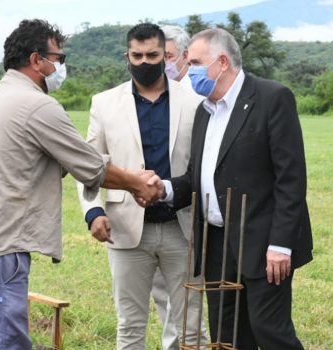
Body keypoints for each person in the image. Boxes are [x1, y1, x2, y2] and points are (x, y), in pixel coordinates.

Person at [0, 19, 161, 350]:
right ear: (36, 60)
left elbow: (44, 161)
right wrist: (138, 184)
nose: (62, 66)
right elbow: (89, 165)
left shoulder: (1, 95)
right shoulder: (36, 105)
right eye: (58, 58)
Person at [162, 27, 313, 349]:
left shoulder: (272, 98)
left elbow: (291, 179)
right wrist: (164, 189)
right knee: (225, 336)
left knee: (270, 331)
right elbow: (196, 175)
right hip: (216, 242)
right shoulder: (204, 111)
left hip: (262, 241)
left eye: (196, 62)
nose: (189, 71)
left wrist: (281, 244)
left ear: (222, 61)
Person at [77, 23, 204, 349]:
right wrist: (93, 211)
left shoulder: (194, 103)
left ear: (167, 56)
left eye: (153, 55)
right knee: (130, 326)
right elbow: (90, 163)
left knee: (192, 328)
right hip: (126, 229)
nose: (145, 62)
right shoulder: (104, 103)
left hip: (183, 227)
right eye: (138, 55)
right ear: (127, 56)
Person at [146, 24, 208, 350]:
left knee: (188, 311)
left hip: (187, 218)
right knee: (164, 305)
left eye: (166, 56)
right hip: (149, 218)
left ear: (184, 57)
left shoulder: (200, 101)